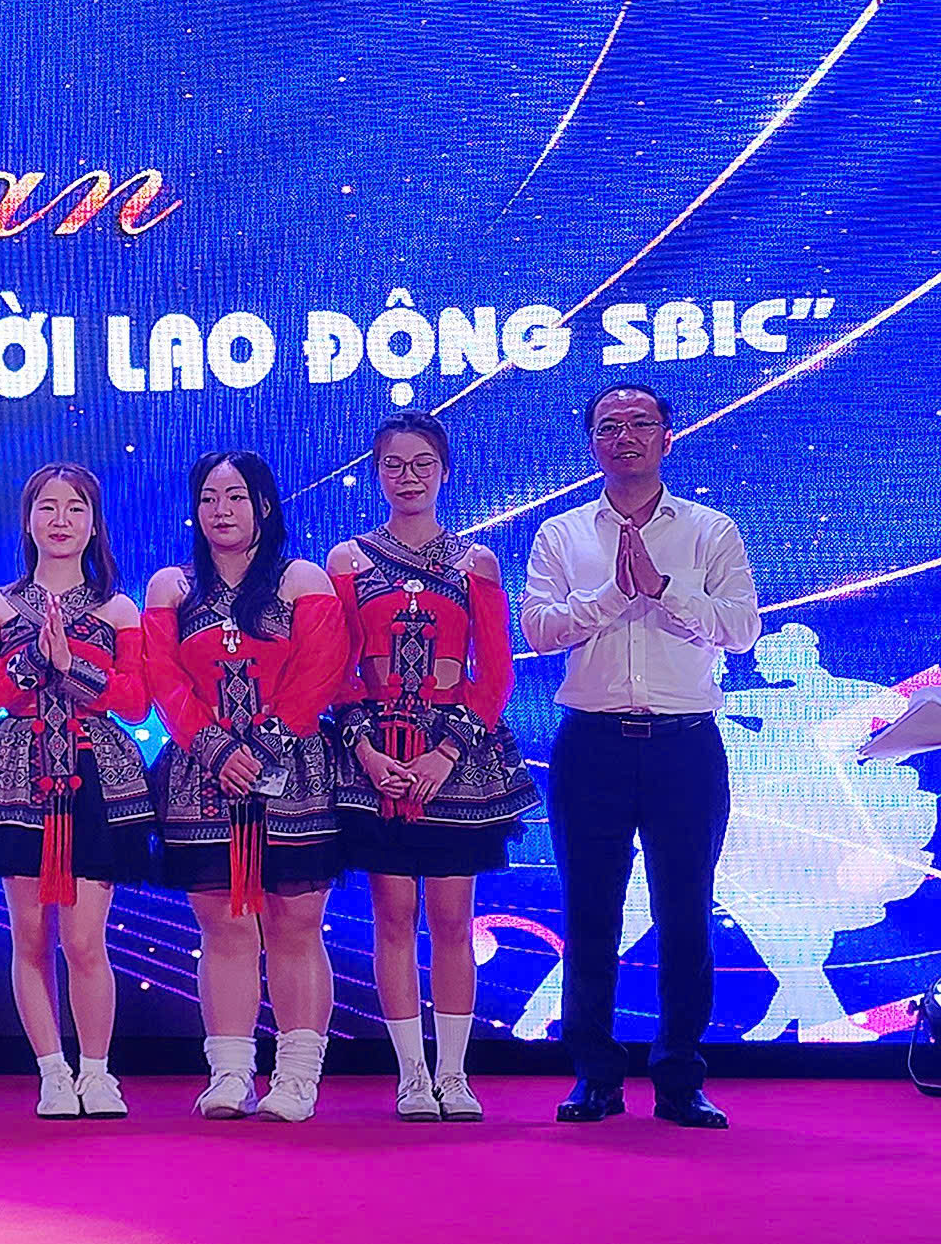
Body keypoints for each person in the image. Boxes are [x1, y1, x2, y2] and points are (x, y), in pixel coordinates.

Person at [521, 382, 757, 1130]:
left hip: (685, 746)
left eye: (639, 423)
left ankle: (681, 1077)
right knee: (590, 913)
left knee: (685, 912)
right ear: (592, 442)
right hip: (590, 744)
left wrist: (663, 589)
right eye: (608, 425)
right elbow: (539, 630)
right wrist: (614, 596)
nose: (623, 436)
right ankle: (595, 1075)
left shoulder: (711, 530)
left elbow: (742, 630)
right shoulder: (561, 534)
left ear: (667, 436)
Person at [327, 411, 539, 1122]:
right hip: (376, 758)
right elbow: (337, 669)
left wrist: (447, 751)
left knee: (452, 919)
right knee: (392, 915)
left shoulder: (476, 563)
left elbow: (496, 674)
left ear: (445, 471)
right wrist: (365, 749)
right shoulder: (348, 561)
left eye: (422, 464)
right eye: (394, 465)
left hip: (454, 759)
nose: (409, 477)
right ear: (377, 472)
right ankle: (410, 1075)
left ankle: (454, 1072)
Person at [143, 451, 345, 1122]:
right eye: (208, 497)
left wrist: (259, 749)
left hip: (292, 773)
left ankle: (297, 1077)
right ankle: (230, 1073)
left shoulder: (302, 578)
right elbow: (163, 678)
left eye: (235, 496)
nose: (220, 510)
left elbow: (321, 670)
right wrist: (216, 748)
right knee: (224, 925)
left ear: (263, 505)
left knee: (295, 923)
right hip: (203, 775)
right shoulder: (171, 587)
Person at [0, 463, 149, 1120]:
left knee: (85, 941)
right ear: (28, 519)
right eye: (48, 507)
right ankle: (52, 1072)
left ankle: (97, 1071)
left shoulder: (119, 608)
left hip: (96, 778)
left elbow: (137, 702)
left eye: (76, 508)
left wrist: (73, 665)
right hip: (18, 780)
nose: (61, 520)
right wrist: (36, 659)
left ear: (95, 524)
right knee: (30, 938)